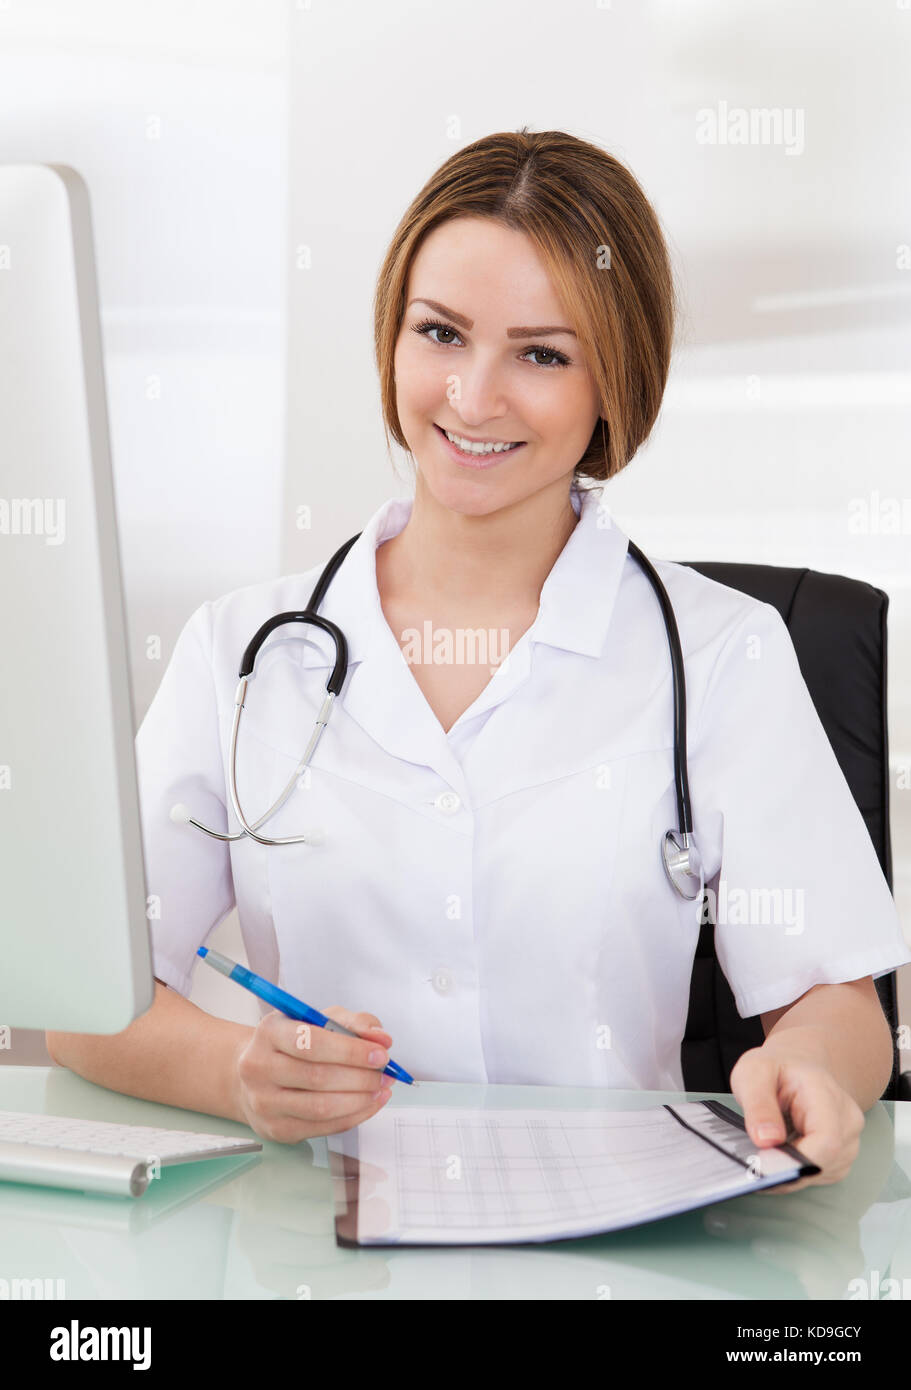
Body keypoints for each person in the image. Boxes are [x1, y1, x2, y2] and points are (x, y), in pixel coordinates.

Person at [47, 128, 911, 1195]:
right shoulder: (241, 652)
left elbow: (837, 1003)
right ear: (392, 341)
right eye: (440, 333)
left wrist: (808, 1068)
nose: (471, 395)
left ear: (614, 383)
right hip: (317, 1243)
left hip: (614, 1236)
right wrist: (237, 1072)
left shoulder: (724, 652)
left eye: (541, 353)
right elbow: (82, 1001)